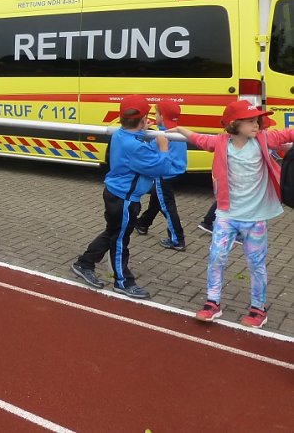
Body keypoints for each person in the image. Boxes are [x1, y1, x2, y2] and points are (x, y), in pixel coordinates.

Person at [172, 100, 294, 328]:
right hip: (227, 215)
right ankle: (212, 303)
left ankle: (259, 308)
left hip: (256, 218)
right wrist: (180, 129)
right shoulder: (220, 142)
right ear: (234, 124)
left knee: (256, 264)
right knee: (216, 257)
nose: (256, 124)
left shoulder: (265, 139)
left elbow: (290, 133)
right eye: (250, 121)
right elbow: (199, 138)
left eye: (257, 120)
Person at [71, 95, 173, 300]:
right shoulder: (135, 146)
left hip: (116, 194)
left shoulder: (121, 134)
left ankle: (84, 263)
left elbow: (138, 139)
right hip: (124, 200)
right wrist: (163, 147)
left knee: (113, 232)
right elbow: (162, 167)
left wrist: (146, 132)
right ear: (144, 119)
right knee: (120, 240)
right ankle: (123, 281)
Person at [135, 100, 187, 251]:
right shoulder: (175, 130)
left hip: (165, 174)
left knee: (167, 207)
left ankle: (177, 239)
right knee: (157, 199)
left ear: (162, 116)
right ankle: (143, 223)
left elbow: (148, 151)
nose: (155, 116)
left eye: (157, 113)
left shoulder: (162, 134)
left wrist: (141, 135)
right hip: (176, 171)